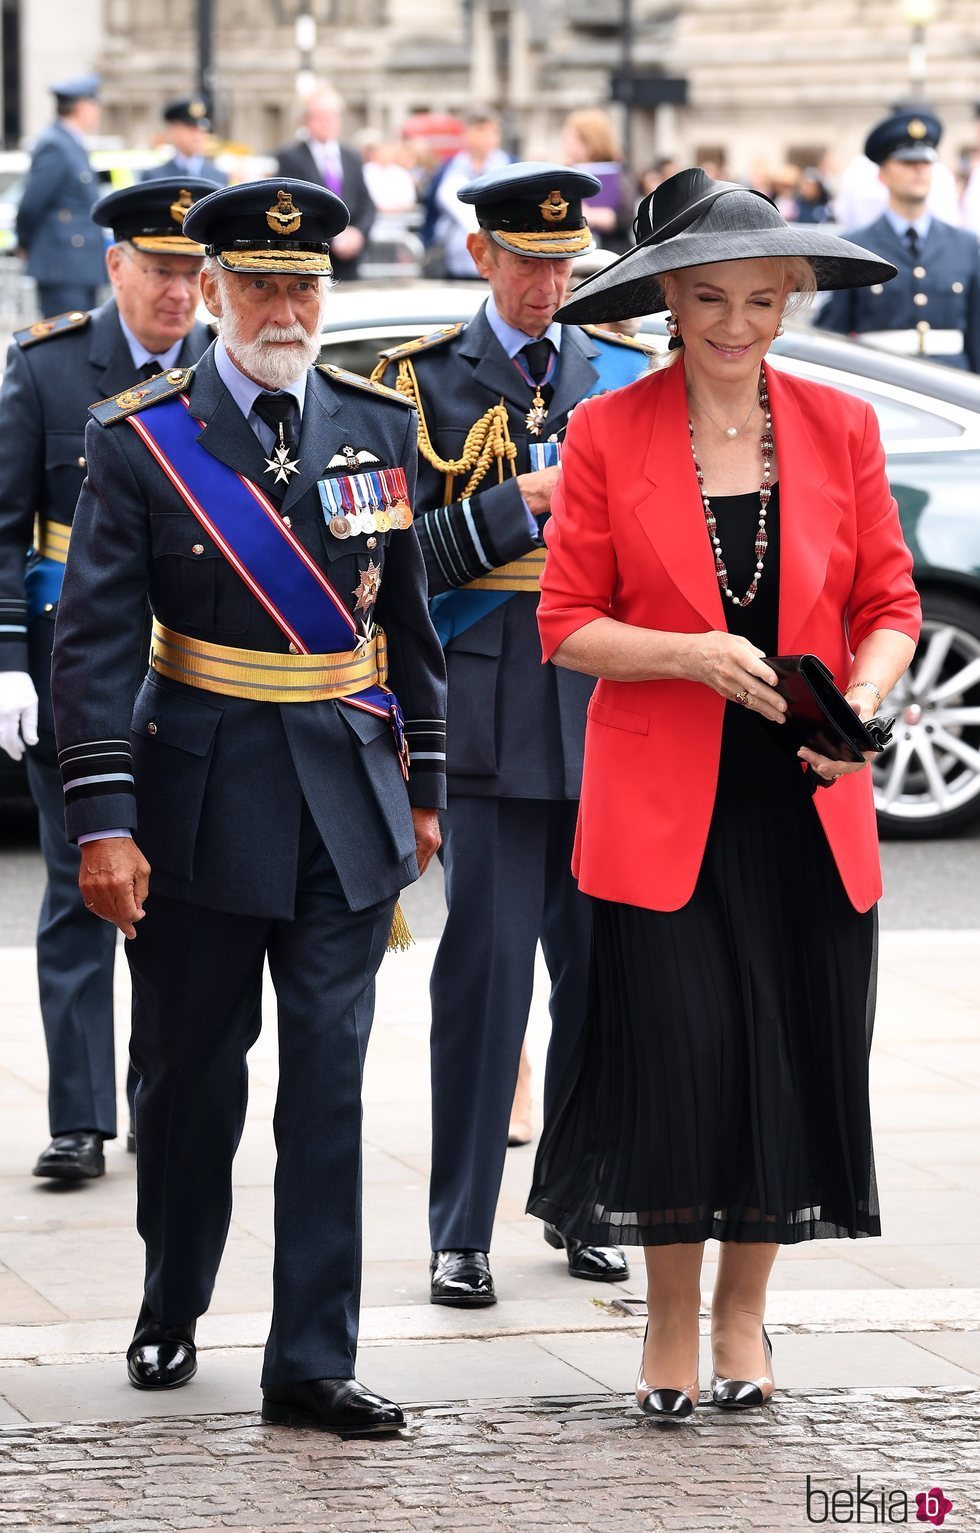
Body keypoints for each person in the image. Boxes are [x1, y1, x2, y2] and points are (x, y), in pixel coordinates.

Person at [49, 178, 446, 1434]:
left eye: (306, 284)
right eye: (262, 284)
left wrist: (422, 785)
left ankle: (311, 1358)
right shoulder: (140, 436)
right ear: (209, 291)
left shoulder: (377, 423)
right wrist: (103, 822)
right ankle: (172, 1302)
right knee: (187, 1081)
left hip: (343, 795)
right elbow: (98, 645)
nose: (287, 307)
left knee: (329, 1083)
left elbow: (405, 623)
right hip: (199, 803)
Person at [527, 167, 921, 1420]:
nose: (736, 324)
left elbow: (890, 607)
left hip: (804, 804)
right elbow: (565, 625)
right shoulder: (606, 432)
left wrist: (861, 701)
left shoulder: (840, 430)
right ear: (666, 304)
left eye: (761, 299)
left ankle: (744, 1320)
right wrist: (686, 656)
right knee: (680, 1066)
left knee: (781, 1067)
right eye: (709, 299)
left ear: (790, 300)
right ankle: (664, 1331)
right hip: (660, 811)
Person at [372, 163, 654, 1308]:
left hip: (606, 710)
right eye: (527, 261)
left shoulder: (626, 371)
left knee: (598, 978)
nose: (548, 283)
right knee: (483, 982)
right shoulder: (418, 383)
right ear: (481, 256)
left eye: (563, 264)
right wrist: (515, 507)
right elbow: (388, 550)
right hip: (483, 707)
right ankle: (459, 1231)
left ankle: (585, 1201)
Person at [0, 178, 216, 1183]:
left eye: (190, 273)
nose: (177, 293)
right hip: (70, 670)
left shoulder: (228, 371)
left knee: (176, 901)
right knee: (78, 887)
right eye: (160, 271)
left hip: (195, 678)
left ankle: (156, 1102)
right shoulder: (47, 371)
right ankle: (78, 1118)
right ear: (114, 266)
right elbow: (4, 528)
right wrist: (8, 661)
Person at [816, 110, 980, 370]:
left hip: (951, 386)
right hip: (882, 383)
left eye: (926, 162)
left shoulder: (965, 245)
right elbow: (834, 332)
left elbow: (975, 336)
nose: (919, 169)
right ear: (883, 175)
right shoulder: (855, 247)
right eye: (907, 162)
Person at [15, 75, 106, 319]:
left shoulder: (71, 143)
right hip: (63, 266)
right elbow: (31, 204)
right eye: (94, 105)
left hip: (77, 267)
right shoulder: (55, 144)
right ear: (81, 107)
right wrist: (24, 242)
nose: (97, 112)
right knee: (65, 346)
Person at [275, 86, 375, 282]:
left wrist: (358, 234)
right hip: (312, 258)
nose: (327, 122)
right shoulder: (291, 158)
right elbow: (292, 208)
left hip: (350, 262)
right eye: (320, 116)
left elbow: (366, 204)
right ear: (306, 120)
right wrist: (332, 239)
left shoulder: (351, 157)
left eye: (332, 116)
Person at [428, 109, 510, 279]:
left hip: (499, 262)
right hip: (452, 261)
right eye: (478, 130)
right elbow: (431, 210)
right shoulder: (449, 167)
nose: (483, 138)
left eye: (490, 131)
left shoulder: (510, 166)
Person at [561, 108, 634, 255]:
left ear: (588, 142)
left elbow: (626, 218)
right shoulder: (562, 173)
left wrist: (591, 215)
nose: (565, 144)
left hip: (611, 251)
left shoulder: (618, 173)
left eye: (570, 138)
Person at [141, 98, 228, 186]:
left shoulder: (219, 177)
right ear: (173, 131)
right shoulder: (154, 177)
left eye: (202, 130)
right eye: (191, 130)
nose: (198, 137)